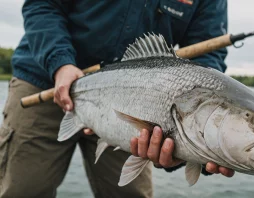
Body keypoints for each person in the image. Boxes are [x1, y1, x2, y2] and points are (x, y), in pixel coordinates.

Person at [0, 1, 233, 197]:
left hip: (137, 103)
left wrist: (188, 146)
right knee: (23, 188)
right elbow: (42, 4)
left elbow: (207, 59)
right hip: (45, 80)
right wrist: (60, 63)